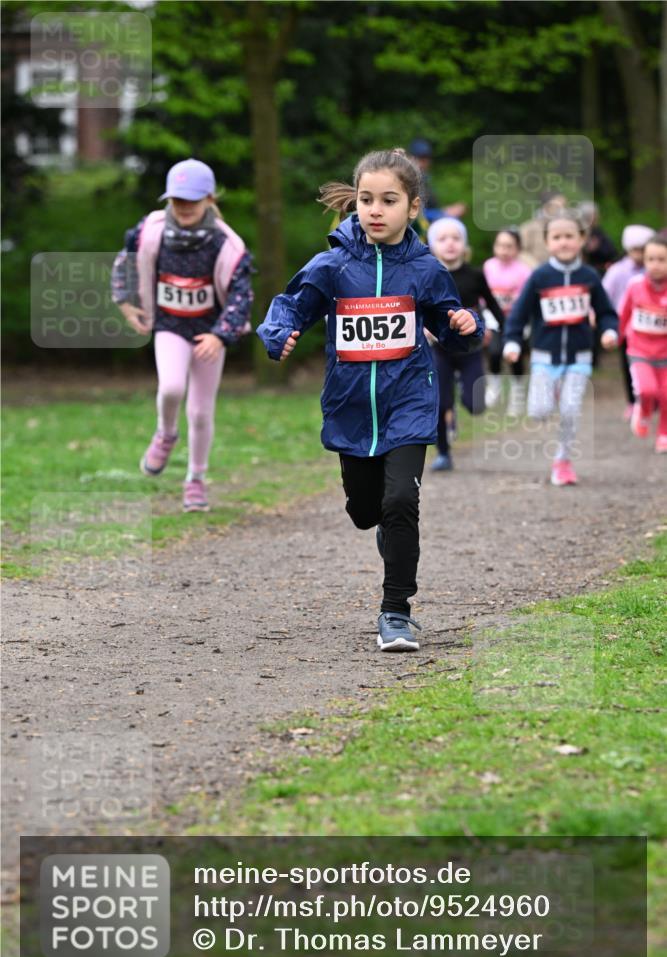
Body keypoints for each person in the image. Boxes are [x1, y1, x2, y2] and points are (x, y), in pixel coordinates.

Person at [256, 148, 483, 652]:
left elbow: (453, 324)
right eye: (365, 199)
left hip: (409, 401)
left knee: (402, 501)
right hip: (352, 406)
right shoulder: (333, 265)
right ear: (354, 202)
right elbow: (291, 306)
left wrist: (466, 325)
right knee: (367, 510)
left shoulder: (425, 269)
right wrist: (280, 332)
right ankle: (383, 526)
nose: (375, 210)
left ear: (414, 207)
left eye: (388, 200)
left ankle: (396, 612)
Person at [111, 158, 253, 512]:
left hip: (208, 334)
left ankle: (195, 479)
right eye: (177, 200)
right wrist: (127, 305)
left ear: (208, 198)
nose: (184, 207)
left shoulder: (227, 244)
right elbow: (125, 262)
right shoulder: (151, 230)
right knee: (171, 388)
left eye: (192, 200)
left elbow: (241, 295)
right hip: (170, 326)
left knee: (201, 412)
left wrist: (221, 335)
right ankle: (165, 433)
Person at [503, 210, 619, 486]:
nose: (563, 242)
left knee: (570, 410)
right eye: (557, 237)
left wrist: (609, 330)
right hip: (544, 356)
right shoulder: (540, 277)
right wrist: (512, 341)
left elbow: (605, 311)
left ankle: (563, 461)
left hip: (579, 356)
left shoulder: (589, 276)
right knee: (539, 411)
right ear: (547, 241)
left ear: (581, 239)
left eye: (569, 236)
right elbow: (519, 313)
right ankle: (550, 395)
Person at [426, 217, 504, 470]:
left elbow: (493, 306)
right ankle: (444, 453)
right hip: (439, 350)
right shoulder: (427, 276)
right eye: (442, 239)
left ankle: (462, 398)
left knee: (476, 404)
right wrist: (423, 330)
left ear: (464, 244)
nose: (450, 244)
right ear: (432, 246)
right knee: (439, 402)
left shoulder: (476, 276)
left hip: (471, 349)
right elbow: (416, 310)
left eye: (456, 238)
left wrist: (495, 328)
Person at [618, 235, 667, 453]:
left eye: (661, 260)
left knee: (665, 394)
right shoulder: (635, 285)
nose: (655, 265)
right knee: (647, 390)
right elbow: (624, 313)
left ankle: (664, 434)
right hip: (639, 349)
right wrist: (615, 335)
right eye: (650, 259)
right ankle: (644, 411)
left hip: (665, 353)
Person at [603, 225, 656, 419]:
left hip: (652, 328)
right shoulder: (617, 271)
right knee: (628, 366)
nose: (639, 255)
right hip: (626, 325)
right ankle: (632, 401)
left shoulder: (655, 269)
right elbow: (604, 295)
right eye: (635, 250)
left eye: (643, 250)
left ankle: (653, 398)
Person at [483, 228, 533, 414]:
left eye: (509, 246)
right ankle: (494, 388)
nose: (504, 250)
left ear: (518, 249)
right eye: (500, 246)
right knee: (495, 352)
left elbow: (525, 299)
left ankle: (517, 395)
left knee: (515, 356)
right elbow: (484, 293)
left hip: (517, 320)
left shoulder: (524, 271)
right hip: (494, 318)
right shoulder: (488, 266)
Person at [519, 192, 567, 268]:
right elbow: (520, 251)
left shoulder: (565, 228)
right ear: (546, 207)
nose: (562, 210)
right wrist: (537, 268)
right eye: (558, 207)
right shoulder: (529, 227)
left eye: (563, 206)